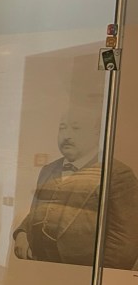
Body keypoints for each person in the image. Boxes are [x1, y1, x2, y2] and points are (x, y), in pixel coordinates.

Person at [12, 103, 138, 269]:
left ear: (97, 134)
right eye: (62, 128)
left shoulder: (117, 174)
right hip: (40, 268)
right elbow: (38, 211)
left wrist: (89, 276)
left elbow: (124, 244)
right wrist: (22, 232)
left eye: (76, 128)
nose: (67, 135)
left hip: (82, 275)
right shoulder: (49, 169)